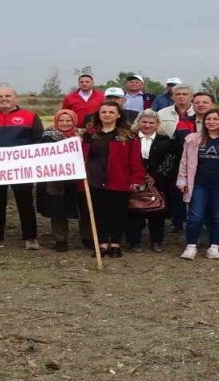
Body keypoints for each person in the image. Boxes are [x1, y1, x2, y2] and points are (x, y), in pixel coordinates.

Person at [0, 87, 44, 251]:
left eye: (8, 96)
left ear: (16, 98)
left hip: (22, 168)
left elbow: (39, 142)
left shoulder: (30, 116)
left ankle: (30, 238)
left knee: (25, 203)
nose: (3, 99)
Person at [82, 101, 145, 258]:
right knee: (99, 213)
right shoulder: (90, 134)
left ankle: (115, 244)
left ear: (118, 115)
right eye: (104, 112)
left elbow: (135, 159)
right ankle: (102, 244)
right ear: (99, 114)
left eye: (111, 112)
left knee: (117, 213)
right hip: (95, 179)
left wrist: (136, 178)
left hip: (120, 179)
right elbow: (83, 155)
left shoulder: (128, 135)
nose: (107, 115)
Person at [176, 108, 219, 259]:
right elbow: (184, 161)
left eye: (215, 119)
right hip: (198, 184)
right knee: (196, 216)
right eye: (208, 119)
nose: (211, 122)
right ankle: (191, 246)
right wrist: (182, 180)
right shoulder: (193, 139)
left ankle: (214, 247)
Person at [36, 109, 92, 253]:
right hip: (57, 180)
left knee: (84, 209)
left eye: (68, 121)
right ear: (56, 121)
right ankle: (60, 240)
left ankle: (88, 237)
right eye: (61, 120)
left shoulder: (84, 135)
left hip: (80, 178)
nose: (65, 123)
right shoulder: (48, 136)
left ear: (74, 121)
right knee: (58, 210)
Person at [127, 109, 179, 252]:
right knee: (133, 209)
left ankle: (157, 240)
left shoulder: (166, 140)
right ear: (138, 123)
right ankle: (134, 242)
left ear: (157, 124)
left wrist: (155, 177)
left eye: (151, 122)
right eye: (144, 122)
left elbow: (170, 160)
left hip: (157, 181)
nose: (147, 125)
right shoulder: (129, 138)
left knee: (157, 210)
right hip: (134, 179)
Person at [157, 84, 198, 233]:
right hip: (172, 155)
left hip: (196, 154)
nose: (181, 97)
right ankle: (178, 221)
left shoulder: (199, 112)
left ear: (191, 96)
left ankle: (195, 220)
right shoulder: (162, 113)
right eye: (178, 94)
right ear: (173, 96)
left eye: (185, 94)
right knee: (176, 189)